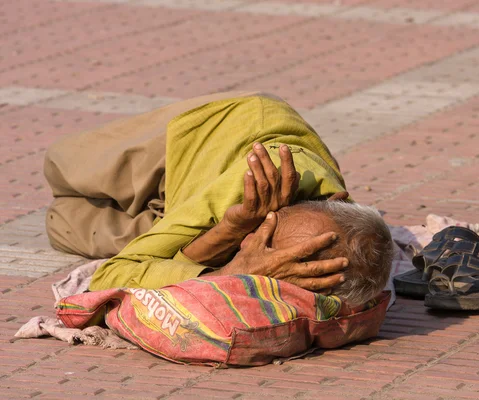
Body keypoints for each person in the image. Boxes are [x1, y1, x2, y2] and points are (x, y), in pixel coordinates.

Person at [44, 92, 394, 306]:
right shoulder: (255, 186)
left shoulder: (323, 254)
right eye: (267, 228)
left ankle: (170, 218)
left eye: (269, 250)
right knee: (61, 167)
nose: (255, 243)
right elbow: (111, 278)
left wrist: (229, 271)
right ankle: (171, 216)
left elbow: (114, 273)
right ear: (333, 198)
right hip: (199, 133)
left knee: (62, 223)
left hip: (189, 198)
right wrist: (231, 233)